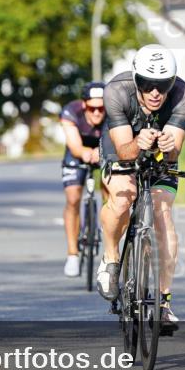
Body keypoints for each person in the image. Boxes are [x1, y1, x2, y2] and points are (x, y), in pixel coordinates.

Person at [97, 44, 185, 326]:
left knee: (162, 212)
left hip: (158, 153)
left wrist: (168, 147)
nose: (155, 93)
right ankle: (112, 258)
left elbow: (174, 150)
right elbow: (123, 149)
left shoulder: (183, 96)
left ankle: (163, 303)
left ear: (172, 83)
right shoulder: (116, 92)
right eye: (148, 85)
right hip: (123, 145)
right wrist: (137, 143)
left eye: (162, 85)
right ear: (137, 80)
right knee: (122, 199)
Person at [60, 82, 106, 277]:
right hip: (78, 151)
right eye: (92, 107)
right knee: (73, 199)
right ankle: (73, 255)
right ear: (83, 104)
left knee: (111, 189)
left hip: (105, 150)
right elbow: (74, 145)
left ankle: (106, 223)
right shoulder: (71, 111)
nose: (96, 112)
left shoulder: (114, 112)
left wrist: (102, 153)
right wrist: (85, 153)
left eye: (101, 108)